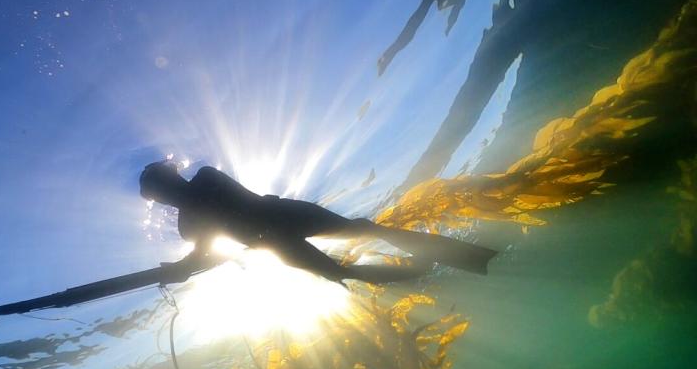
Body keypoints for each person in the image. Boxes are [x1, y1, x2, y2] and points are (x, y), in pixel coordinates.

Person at [139, 160, 497, 285]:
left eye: (163, 185)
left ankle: (451, 261)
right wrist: (183, 267)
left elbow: (206, 242)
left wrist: (183, 267)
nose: (167, 193)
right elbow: (205, 246)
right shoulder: (189, 221)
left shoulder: (204, 181)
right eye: (160, 191)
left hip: (279, 219)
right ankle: (424, 273)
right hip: (276, 237)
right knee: (343, 270)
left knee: (362, 231)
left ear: (172, 179)